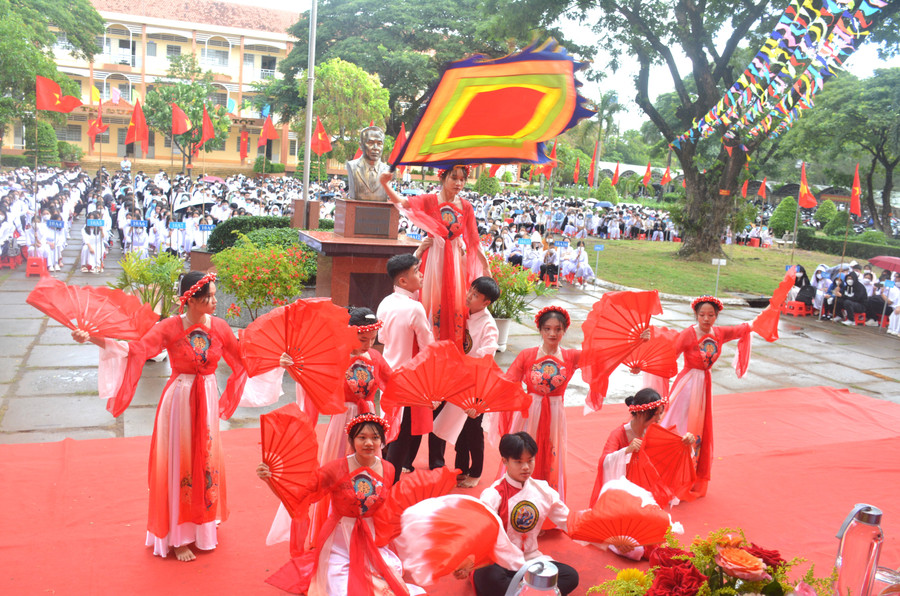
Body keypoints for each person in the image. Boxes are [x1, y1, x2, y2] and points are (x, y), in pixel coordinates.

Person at [72, 272, 269, 561]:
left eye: (215, 295)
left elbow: (243, 359)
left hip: (207, 398)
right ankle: (179, 537)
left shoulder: (221, 327)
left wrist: (278, 359)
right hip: (179, 399)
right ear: (190, 298)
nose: (215, 301)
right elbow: (135, 350)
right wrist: (93, 339)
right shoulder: (169, 327)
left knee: (206, 457)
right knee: (180, 462)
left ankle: (202, 520)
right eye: (209, 296)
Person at [256, 414, 426, 596]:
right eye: (362, 437)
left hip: (372, 538)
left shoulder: (389, 469)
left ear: (382, 441)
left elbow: (388, 506)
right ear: (351, 440)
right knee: (341, 589)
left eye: (375, 438)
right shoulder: (335, 468)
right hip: (338, 540)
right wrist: (271, 480)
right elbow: (302, 493)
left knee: (384, 583)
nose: (369, 443)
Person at [379, 164, 489, 349]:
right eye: (454, 178)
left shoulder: (466, 206)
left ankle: (448, 348)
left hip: (454, 260)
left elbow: (473, 240)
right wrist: (385, 184)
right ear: (443, 177)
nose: (459, 183)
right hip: (433, 258)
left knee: (453, 303)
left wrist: (485, 266)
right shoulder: (429, 200)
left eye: (462, 179)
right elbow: (402, 203)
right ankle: (428, 348)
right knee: (430, 301)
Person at [659, 295, 751, 500]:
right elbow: (668, 356)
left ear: (717, 316)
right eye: (702, 315)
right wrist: (648, 366)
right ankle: (665, 470)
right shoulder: (688, 334)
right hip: (687, 385)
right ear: (696, 315)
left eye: (711, 315)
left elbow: (742, 329)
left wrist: (766, 316)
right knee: (676, 423)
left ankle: (687, 474)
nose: (706, 319)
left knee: (697, 430)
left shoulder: (719, 333)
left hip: (704, 386)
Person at [470, 432, 579, 596]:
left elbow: (570, 522)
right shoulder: (493, 494)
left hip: (530, 559)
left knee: (570, 576)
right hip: (498, 561)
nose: (526, 467)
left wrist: (606, 538)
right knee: (487, 576)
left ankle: (522, 591)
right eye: (519, 462)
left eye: (530, 460)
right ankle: (532, 591)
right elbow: (478, 533)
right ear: (505, 461)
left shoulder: (543, 490)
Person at [500, 306, 581, 500]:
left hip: (555, 413)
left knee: (552, 454)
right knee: (524, 452)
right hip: (529, 411)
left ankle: (546, 502)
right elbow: (507, 384)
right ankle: (518, 500)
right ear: (540, 329)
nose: (552, 333)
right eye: (547, 329)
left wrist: (634, 345)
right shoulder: (527, 355)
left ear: (564, 330)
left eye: (558, 329)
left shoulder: (571, 356)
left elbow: (602, 358)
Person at [433, 276, 501, 489]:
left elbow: (487, 353)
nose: (469, 297)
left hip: (476, 382)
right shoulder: (463, 314)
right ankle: (461, 468)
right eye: (470, 291)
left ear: (486, 302)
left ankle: (476, 472)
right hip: (458, 380)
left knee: (473, 429)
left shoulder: (488, 324)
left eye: (475, 295)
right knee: (458, 427)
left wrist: (465, 362)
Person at [376, 254, 435, 482]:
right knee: (401, 436)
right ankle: (390, 484)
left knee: (389, 429)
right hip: (409, 379)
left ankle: (382, 478)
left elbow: (381, 337)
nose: (421, 275)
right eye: (416, 271)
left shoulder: (384, 303)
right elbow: (428, 347)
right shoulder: (415, 308)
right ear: (403, 281)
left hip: (387, 373)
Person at [589, 388, 695, 508]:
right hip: (624, 491)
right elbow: (604, 462)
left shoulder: (655, 432)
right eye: (655, 415)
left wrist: (685, 443)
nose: (659, 419)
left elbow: (670, 457)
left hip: (648, 489)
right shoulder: (619, 434)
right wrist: (626, 451)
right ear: (640, 413)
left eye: (660, 414)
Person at [345, 127, 392, 202]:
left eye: (379, 143)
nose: (376, 148)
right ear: (361, 145)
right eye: (370, 143)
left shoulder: (387, 170)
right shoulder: (352, 166)